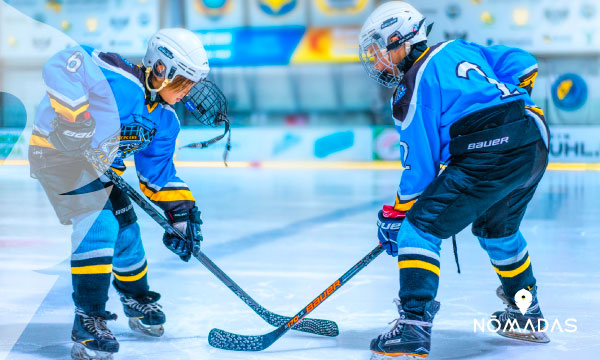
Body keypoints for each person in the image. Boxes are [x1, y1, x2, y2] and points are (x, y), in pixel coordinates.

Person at [358, 2, 550, 358]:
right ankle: (526, 314)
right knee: (499, 232)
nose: (376, 59)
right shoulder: (460, 48)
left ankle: (414, 327)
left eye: (378, 48)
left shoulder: (410, 89)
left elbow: (420, 173)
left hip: (489, 146)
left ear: (400, 39)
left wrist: (398, 217)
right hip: (533, 135)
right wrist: (504, 101)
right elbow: (524, 63)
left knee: (419, 229)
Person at [29, 28, 220, 360]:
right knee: (99, 224)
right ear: (160, 68)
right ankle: (88, 317)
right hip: (58, 155)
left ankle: (137, 297)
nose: (186, 92)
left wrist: (182, 215)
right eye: (182, 82)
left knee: (128, 232)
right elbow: (62, 63)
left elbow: (157, 174)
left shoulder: (166, 120)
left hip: (100, 169)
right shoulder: (116, 76)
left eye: (190, 85)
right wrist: (74, 117)